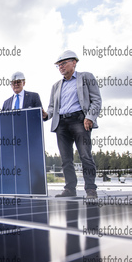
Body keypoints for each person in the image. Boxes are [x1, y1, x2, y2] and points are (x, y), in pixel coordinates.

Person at [42, 50, 102, 199]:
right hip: (61, 123)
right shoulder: (56, 86)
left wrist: (90, 117)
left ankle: (90, 190)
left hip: (80, 121)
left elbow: (96, 100)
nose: (61, 67)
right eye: (58, 65)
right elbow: (51, 107)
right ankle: (70, 189)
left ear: (74, 62)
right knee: (65, 159)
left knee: (85, 156)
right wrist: (46, 115)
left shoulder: (86, 77)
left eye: (63, 63)